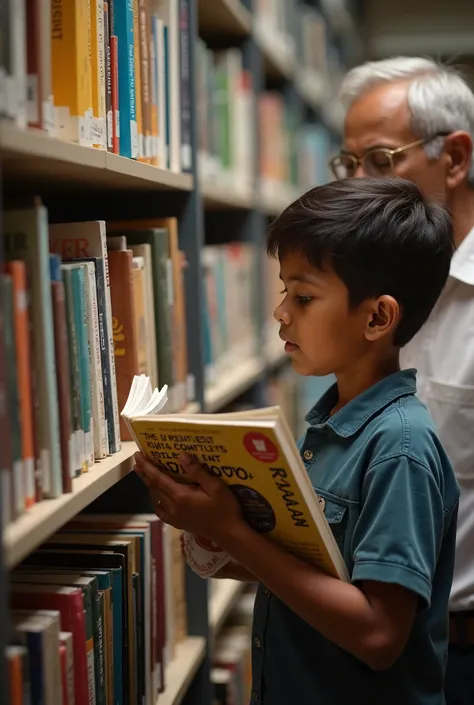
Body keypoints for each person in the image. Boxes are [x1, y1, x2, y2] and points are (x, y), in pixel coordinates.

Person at [134, 176, 459, 705]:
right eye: (285, 291)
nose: (282, 312)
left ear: (377, 316)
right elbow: (314, 572)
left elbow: (378, 635)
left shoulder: (400, 448)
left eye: (304, 296)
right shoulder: (330, 424)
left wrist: (233, 532)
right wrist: (208, 528)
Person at [331, 57, 474, 705]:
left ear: (456, 158)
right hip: (361, 627)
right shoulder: (365, 288)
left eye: (381, 161)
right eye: (348, 163)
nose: (358, 183)